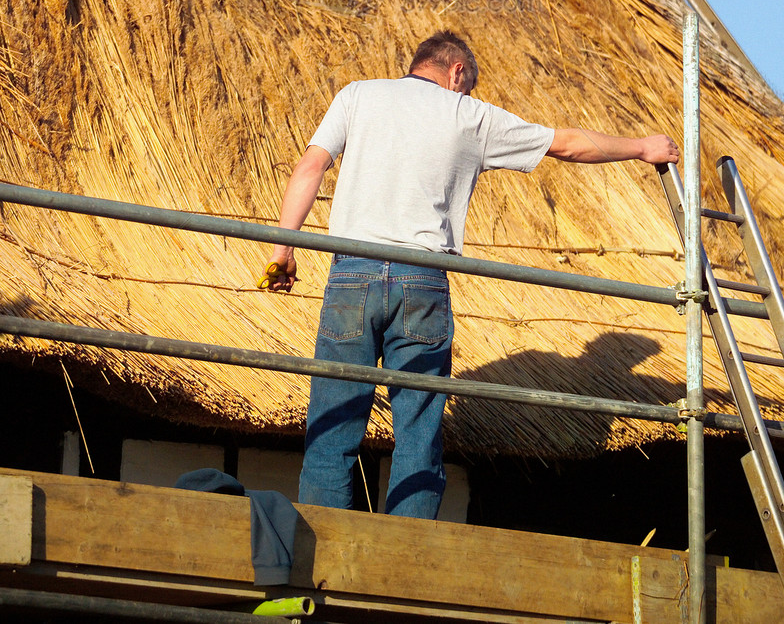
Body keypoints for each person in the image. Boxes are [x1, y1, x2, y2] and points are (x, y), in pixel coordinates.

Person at [261, 29, 679, 520]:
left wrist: (284, 250)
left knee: (333, 428)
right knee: (417, 433)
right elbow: (566, 144)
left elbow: (310, 166)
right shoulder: (470, 116)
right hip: (423, 282)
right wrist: (641, 147)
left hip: (352, 273)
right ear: (457, 72)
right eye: (469, 85)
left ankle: (319, 564)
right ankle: (402, 574)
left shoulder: (357, 95)